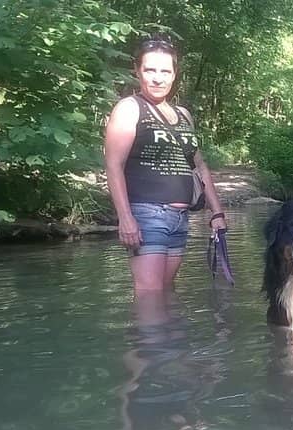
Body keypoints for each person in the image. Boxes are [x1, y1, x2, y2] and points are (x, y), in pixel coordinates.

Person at [104, 37, 227, 292]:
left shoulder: (183, 115)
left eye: (165, 71)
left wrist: (216, 212)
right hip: (147, 214)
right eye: (150, 70)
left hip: (180, 219)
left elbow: (199, 166)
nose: (157, 78)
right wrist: (125, 218)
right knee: (150, 293)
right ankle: (152, 333)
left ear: (174, 74)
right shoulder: (130, 108)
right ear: (137, 71)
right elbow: (114, 165)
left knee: (167, 291)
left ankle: (168, 333)